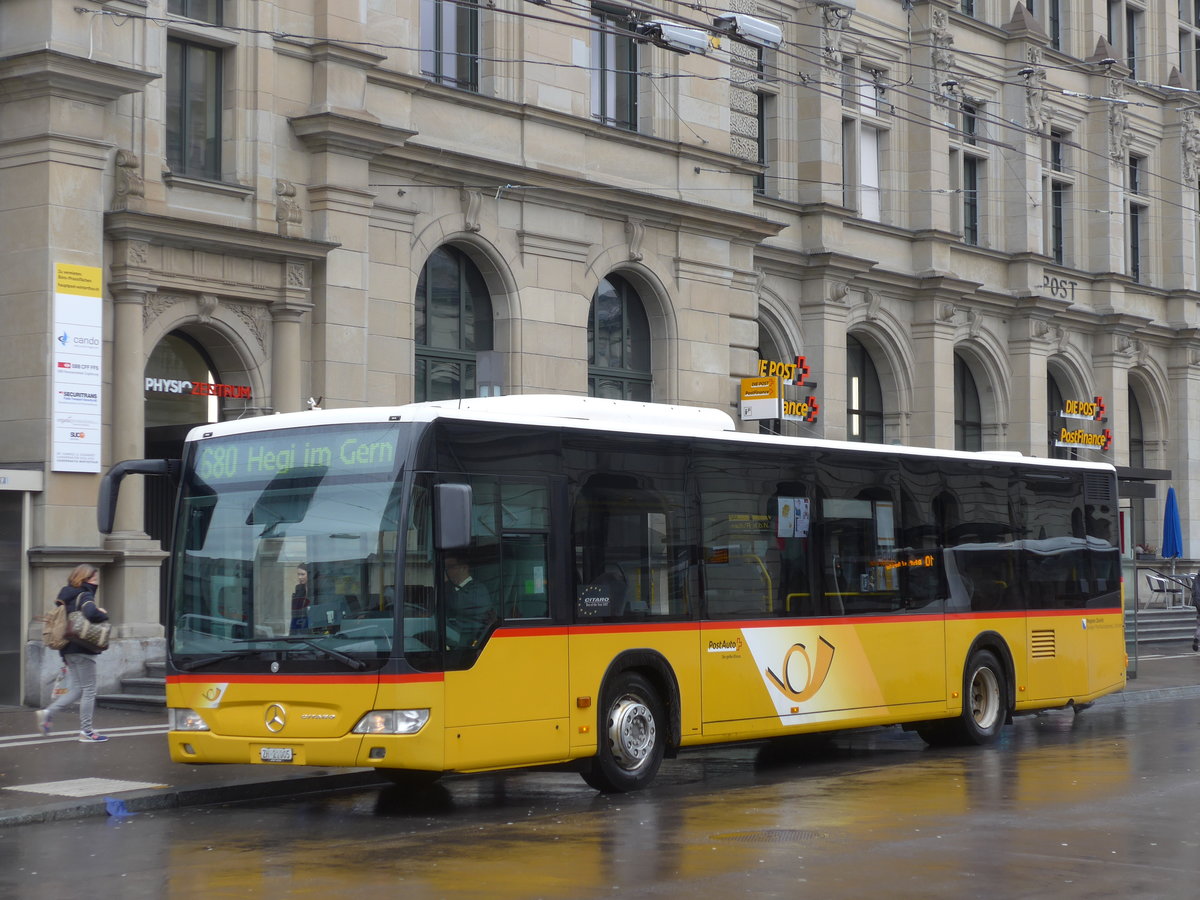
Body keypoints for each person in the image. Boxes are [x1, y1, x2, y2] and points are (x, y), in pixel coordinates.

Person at [37, 564, 110, 742]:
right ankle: (86, 731)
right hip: (83, 648)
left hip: (68, 649)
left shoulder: (66, 596)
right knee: (89, 690)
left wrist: (64, 656)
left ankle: (48, 712)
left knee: (78, 689)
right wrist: (102, 613)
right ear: (85, 579)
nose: (96, 582)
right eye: (94, 579)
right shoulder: (85, 595)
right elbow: (91, 614)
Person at [444, 555, 494, 646]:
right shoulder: (450, 588)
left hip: (469, 639)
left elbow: (457, 606)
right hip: (454, 636)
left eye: (450, 567)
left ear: (464, 568)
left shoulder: (477, 590)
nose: (447, 571)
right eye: (445, 567)